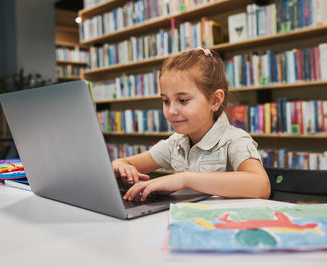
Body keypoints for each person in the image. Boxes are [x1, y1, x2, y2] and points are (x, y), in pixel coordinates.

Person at [112, 48, 271, 201]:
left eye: (183, 100)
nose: (171, 111)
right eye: (166, 101)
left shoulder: (234, 140)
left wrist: (185, 179)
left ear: (215, 100)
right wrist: (120, 165)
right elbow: (123, 163)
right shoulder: (175, 143)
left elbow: (261, 185)